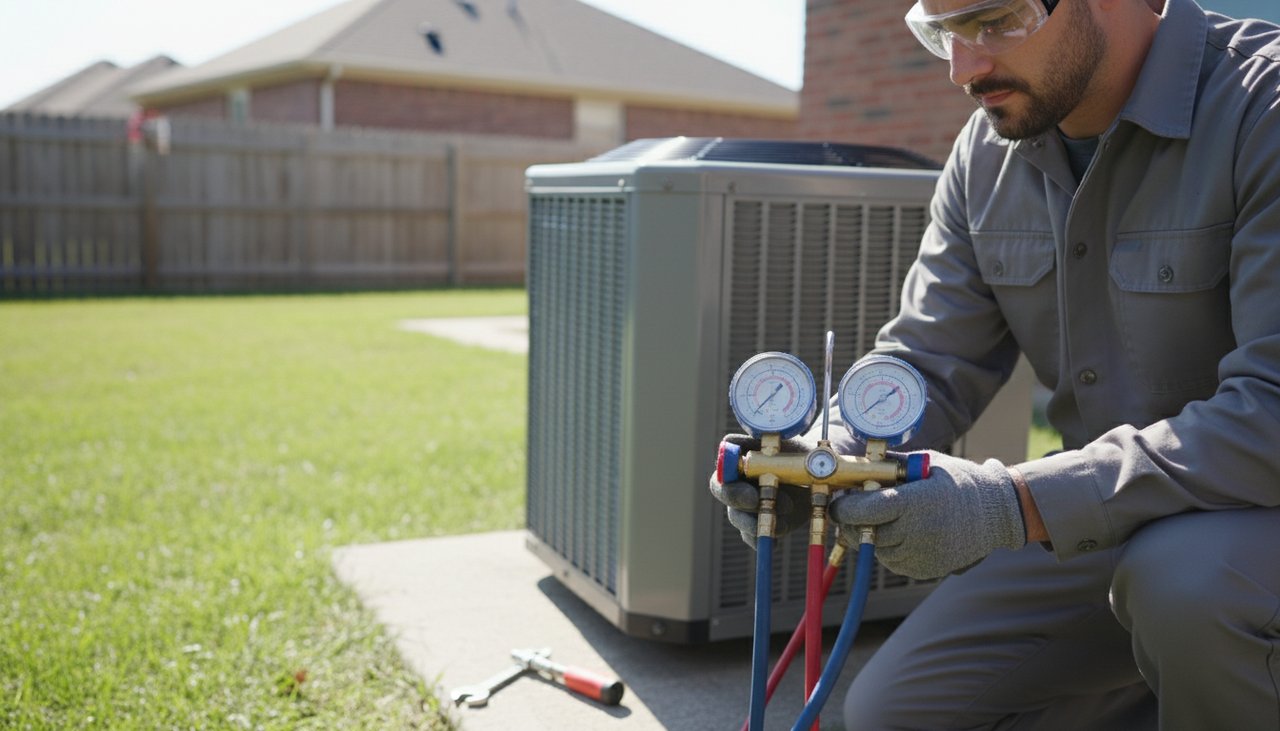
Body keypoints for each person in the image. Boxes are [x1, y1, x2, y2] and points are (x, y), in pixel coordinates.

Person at [708, 0, 1280, 728]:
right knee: (898, 713)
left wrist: (1010, 504)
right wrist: (828, 455)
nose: (962, 68)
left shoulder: (1265, 107)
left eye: (994, 21)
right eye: (944, 30)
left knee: (1188, 587)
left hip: (1241, 530)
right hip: (1128, 519)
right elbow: (928, 357)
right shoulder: (988, 151)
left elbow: (1272, 412)